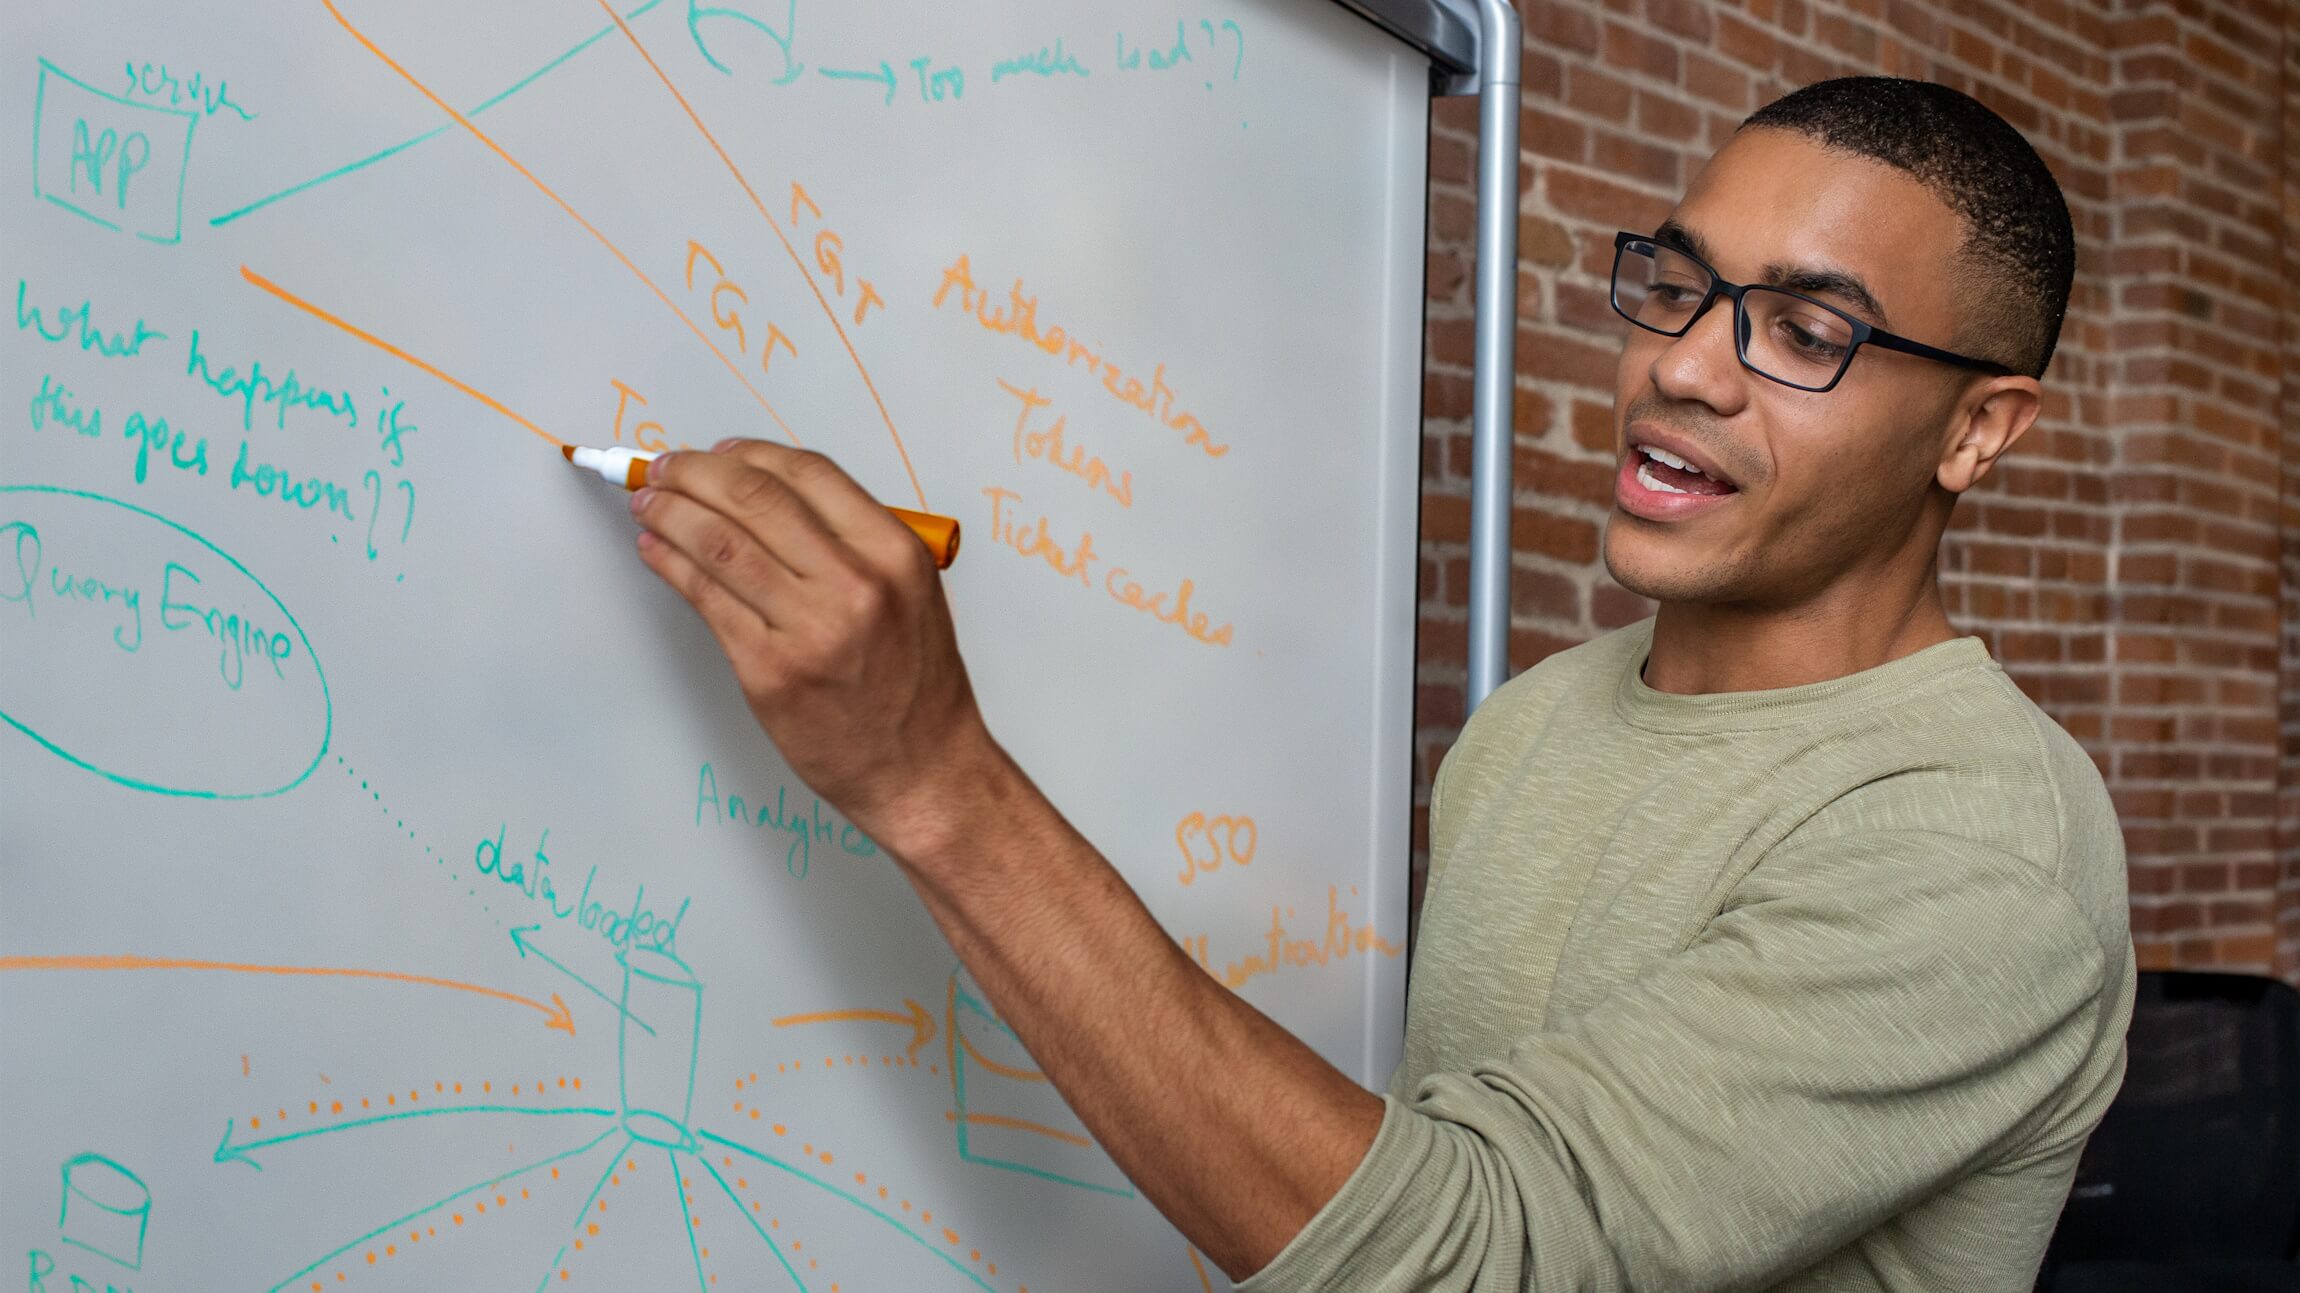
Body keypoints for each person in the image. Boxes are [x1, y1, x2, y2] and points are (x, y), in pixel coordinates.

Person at [621, 75, 2133, 1291]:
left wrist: (933, 782)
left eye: (1807, 331)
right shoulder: (1536, 719)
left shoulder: (1974, 846)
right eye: (1676, 284)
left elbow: (1469, 1254)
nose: (1683, 366)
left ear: (1980, 433)